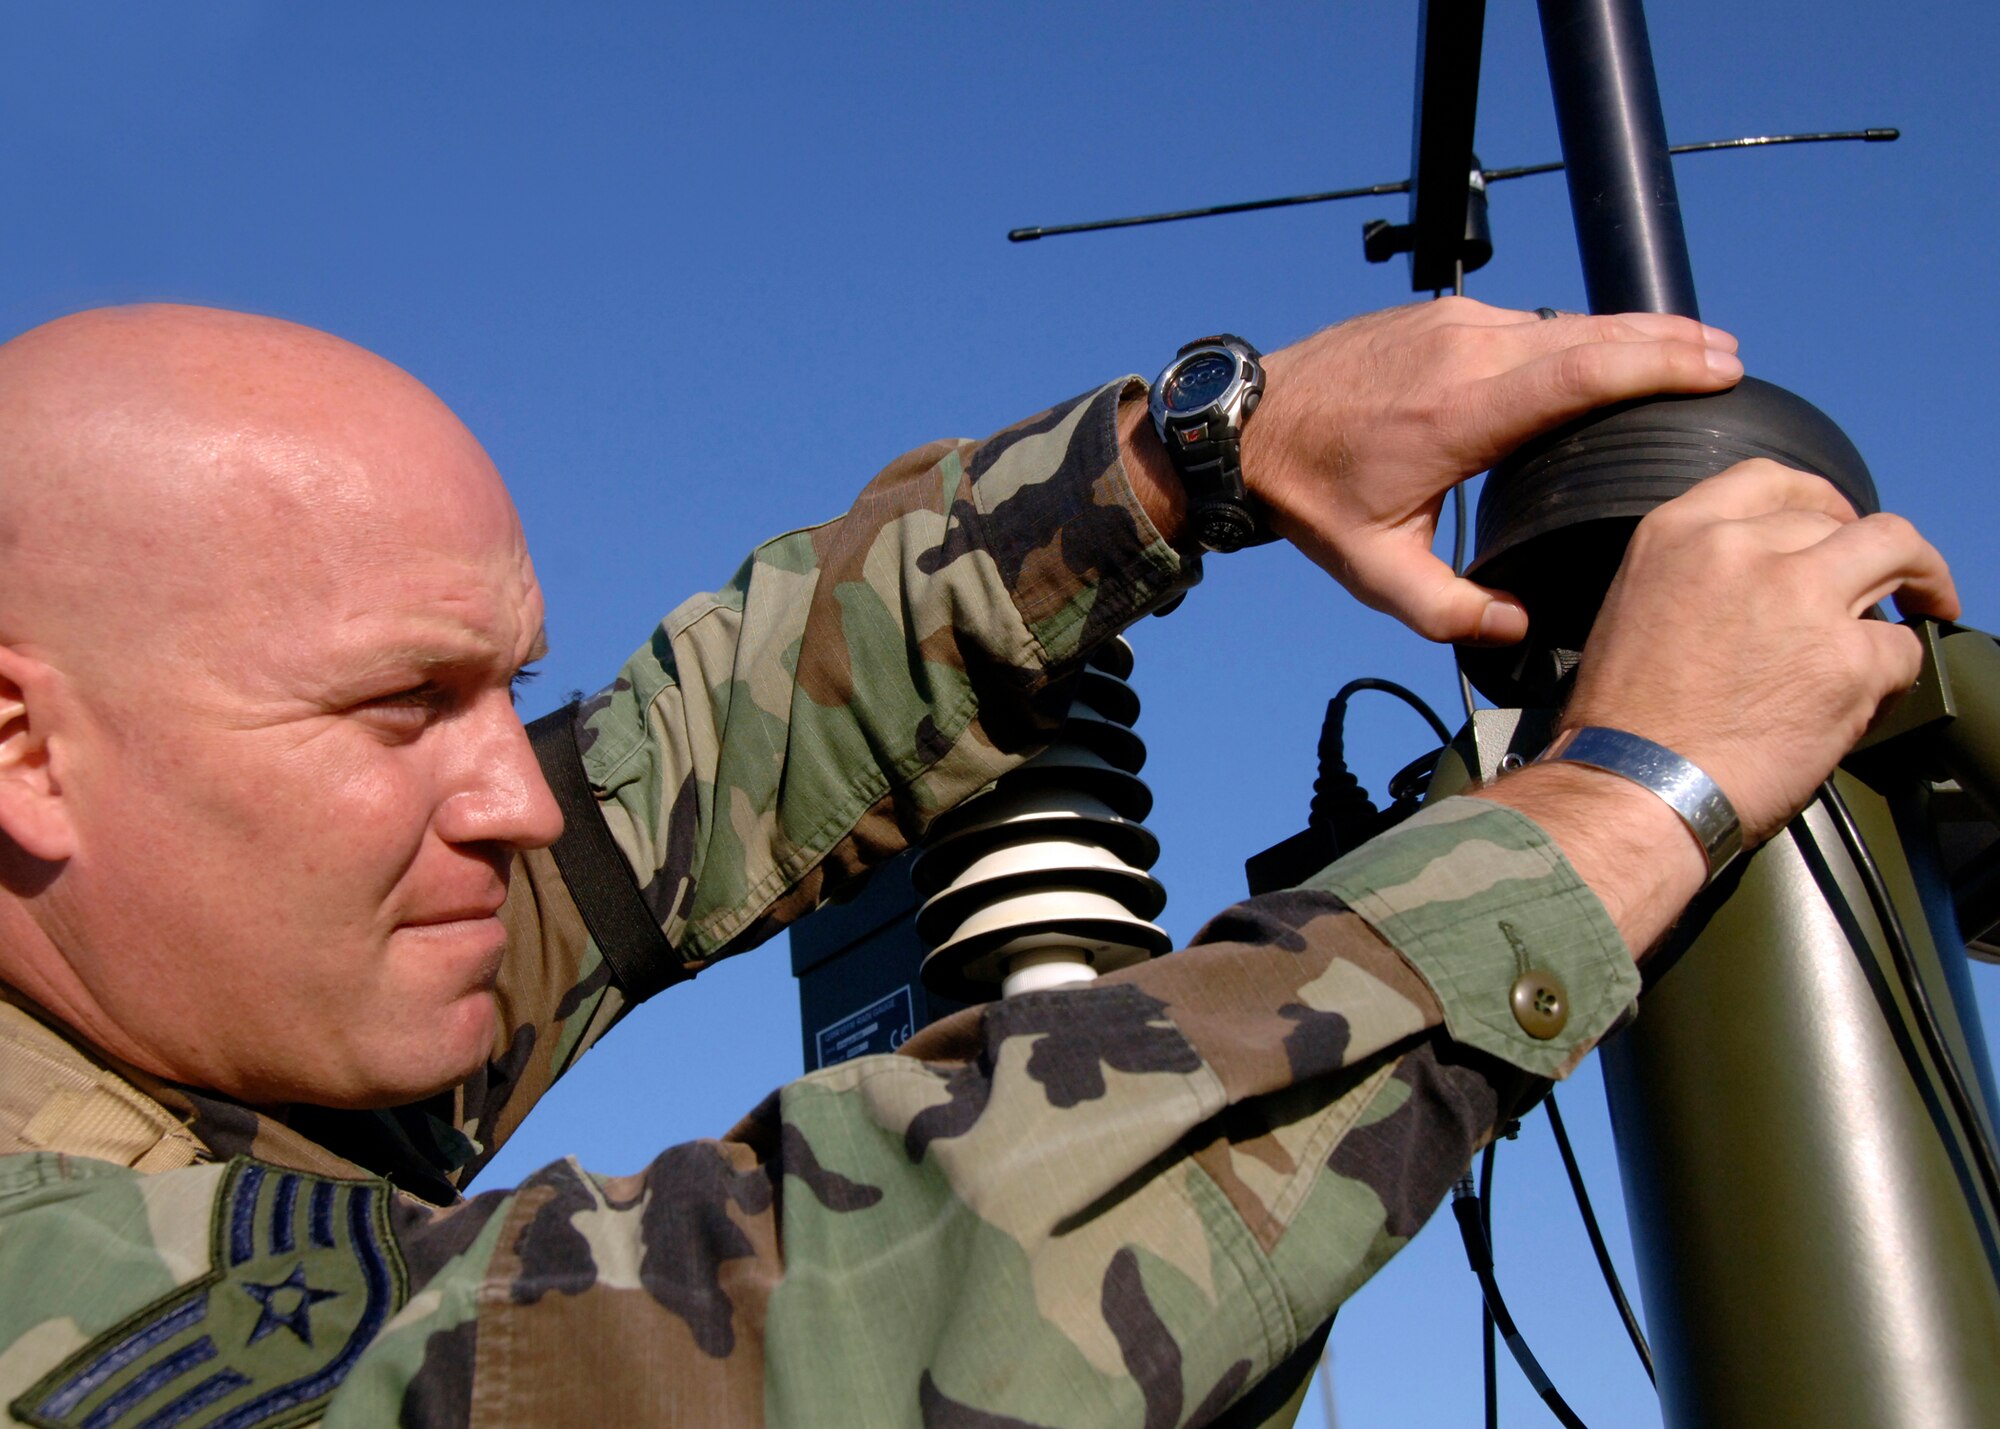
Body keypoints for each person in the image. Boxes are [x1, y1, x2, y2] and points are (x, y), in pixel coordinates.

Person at [0, 299, 1951, 1428]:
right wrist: (1628, 803)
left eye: (505, 691)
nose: (510, 800)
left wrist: (1199, 454)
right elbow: (786, 1335)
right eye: (395, 709)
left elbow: (702, 750)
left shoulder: (211, 959)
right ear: (27, 749)